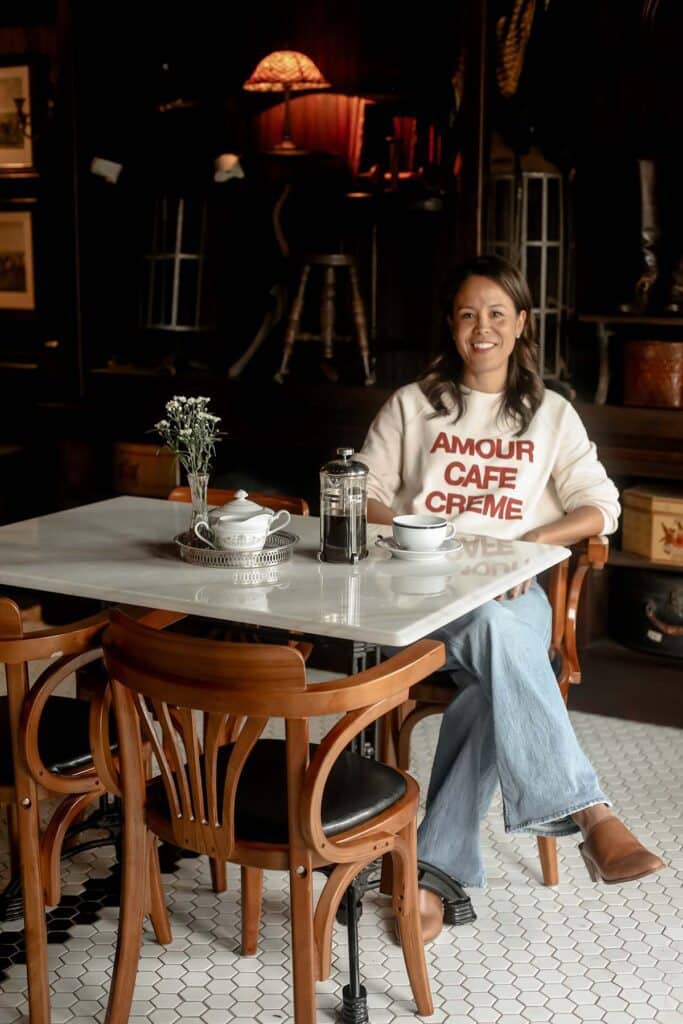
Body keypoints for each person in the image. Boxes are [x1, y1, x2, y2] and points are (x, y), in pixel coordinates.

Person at [358, 254, 664, 943]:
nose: (482, 327)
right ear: (451, 323)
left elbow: (600, 507)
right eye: (468, 313)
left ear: (521, 324)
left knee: (498, 640)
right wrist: (419, 537)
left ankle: (431, 872)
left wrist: (532, 539)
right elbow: (364, 495)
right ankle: (589, 816)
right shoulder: (413, 405)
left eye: (497, 313)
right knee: (504, 662)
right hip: (417, 596)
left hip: (510, 594)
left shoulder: (549, 414)